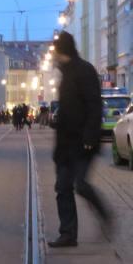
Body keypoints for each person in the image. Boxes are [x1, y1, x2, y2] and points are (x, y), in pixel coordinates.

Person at [48, 31, 111, 248]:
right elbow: (67, 110)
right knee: (62, 187)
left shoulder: (85, 71)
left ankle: (106, 214)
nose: (54, 55)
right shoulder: (65, 74)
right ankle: (68, 234)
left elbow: (94, 106)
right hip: (66, 145)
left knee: (81, 185)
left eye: (56, 51)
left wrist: (90, 137)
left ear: (62, 50)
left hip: (84, 142)